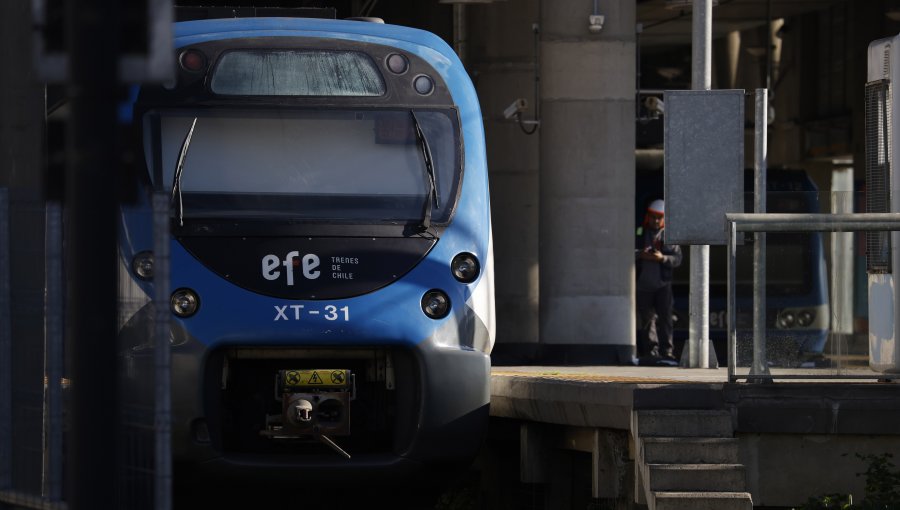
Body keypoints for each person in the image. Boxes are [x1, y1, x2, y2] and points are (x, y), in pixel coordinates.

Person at [635, 199, 682, 366]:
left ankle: (667, 352)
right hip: (643, 285)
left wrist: (661, 258)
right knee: (647, 320)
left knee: (666, 319)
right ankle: (650, 352)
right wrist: (641, 254)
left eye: (659, 218)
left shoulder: (669, 236)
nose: (656, 221)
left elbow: (677, 259)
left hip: (663, 285)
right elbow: (626, 251)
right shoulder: (640, 233)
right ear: (648, 216)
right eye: (653, 217)